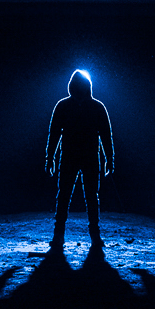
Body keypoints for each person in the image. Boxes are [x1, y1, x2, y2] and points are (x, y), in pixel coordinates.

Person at [45, 69, 114, 250]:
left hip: (74, 156)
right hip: (85, 156)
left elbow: (54, 134)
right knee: (81, 196)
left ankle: (61, 235)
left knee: (72, 195)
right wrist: (109, 159)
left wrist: (50, 157)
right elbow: (106, 136)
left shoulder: (64, 106)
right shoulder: (97, 107)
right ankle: (91, 236)